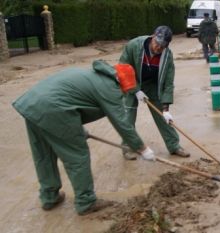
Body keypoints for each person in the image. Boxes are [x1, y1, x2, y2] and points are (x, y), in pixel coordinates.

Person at [12, 61, 155, 216]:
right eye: (124, 89)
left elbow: (72, 99)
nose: (123, 92)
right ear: (121, 81)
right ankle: (86, 202)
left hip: (32, 105)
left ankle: (49, 197)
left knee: (43, 154)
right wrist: (142, 148)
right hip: (54, 110)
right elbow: (122, 124)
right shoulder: (110, 88)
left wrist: (78, 129)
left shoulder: (94, 75)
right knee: (77, 156)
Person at [120, 25, 190, 159]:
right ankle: (127, 148)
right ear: (153, 36)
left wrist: (166, 108)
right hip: (132, 81)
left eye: (162, 46)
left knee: (163, 117)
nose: (158, 48)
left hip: (152, 85)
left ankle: (174, 146)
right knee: (128, 116)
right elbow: (122, 69)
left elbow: (168, 83)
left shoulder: (167, 56)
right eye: (157, 43)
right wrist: (135, 90)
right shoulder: (134, 45)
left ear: (167, 46)